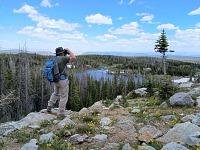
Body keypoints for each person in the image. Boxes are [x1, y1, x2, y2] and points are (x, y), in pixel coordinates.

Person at [46, 47, 76, 118]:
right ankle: (61, 113)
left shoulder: (55, 59)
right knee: (63, 96)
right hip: (63, 81)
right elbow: (73, 57)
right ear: (61, 53)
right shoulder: (63, 59)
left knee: (55, 93)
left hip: (56, 80)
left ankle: (49, 107)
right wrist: (68, 50)